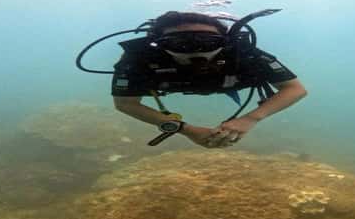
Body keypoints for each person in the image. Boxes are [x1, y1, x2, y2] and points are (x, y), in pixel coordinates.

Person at [111, 11, 307, 148]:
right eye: (180, 44)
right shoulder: (138, 59)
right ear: (159, 46)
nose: (196, 51)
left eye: (208, 43)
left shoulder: (243, 54)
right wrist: (186, 129)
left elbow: (294, 89)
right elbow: (125, 103)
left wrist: (250, 118)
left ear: (226, 43)